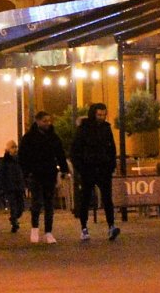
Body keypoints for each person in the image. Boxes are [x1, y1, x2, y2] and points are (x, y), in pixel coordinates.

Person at [18, 110, 71, 244]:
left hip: (49, 174)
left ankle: (48, 232)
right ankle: (35, 228)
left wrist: (64, 169)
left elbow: (60, 154)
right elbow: (22, 156)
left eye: (49, 121)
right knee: (36, 202)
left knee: (49, 203)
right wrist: (27, 172)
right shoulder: (29, 138)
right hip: (35, 175)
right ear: (37, 121)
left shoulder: (53, 137)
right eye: (45, 121)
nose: (48, 123)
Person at [71, 103, 121, 242]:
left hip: (103, 168)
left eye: (104, 115)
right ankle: (84, 228)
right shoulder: (84, 129)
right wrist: (81, 168)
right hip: (88, 169)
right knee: (86, 199)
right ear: (93, 114)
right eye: (99, 115)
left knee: (107, 199)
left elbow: (112, 148)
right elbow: (75, 149)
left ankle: (111, 226)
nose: (102, 117)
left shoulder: (106, 128)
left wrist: (111, 165)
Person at [0, 139, 26, 234]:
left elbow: (23, 172)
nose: (15, 149)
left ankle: (14, 218)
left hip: (19, 187)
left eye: (15, 147)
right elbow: (1, 175)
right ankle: (14, 223)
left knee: (21, 208)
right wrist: (2, 188)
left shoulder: (19, 160)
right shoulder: (5, 162)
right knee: (13, 206)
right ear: (8, 149)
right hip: (10, 188)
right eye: (13, 147)